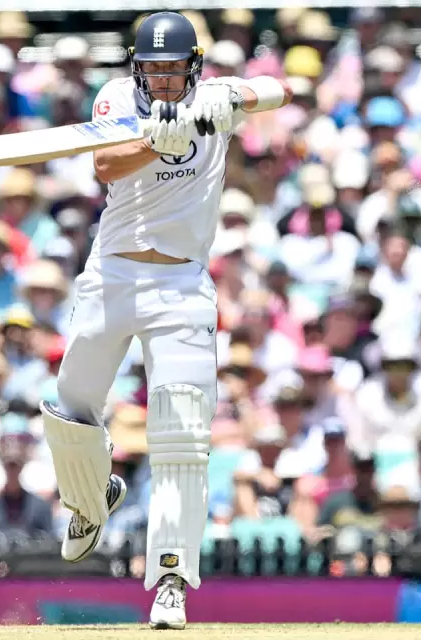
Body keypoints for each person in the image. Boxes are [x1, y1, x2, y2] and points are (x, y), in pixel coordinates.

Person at [38, 11, 291, 630]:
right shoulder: (117, 98)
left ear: (194, 68)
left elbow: (277, 91)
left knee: (181, 434)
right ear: (136, 68)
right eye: (152, 70)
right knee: (71, 403)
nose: (163, 82)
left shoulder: (212, 95)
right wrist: (154, 140)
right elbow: (103, 166)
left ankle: (171, 582)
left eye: (174, 72)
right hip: (112, 275)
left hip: (181, 285)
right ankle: (89, 499)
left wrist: (229, 105)